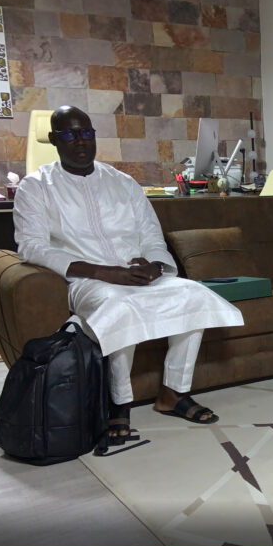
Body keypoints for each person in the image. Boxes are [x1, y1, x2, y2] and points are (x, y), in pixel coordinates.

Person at [13, 105, 244, 441]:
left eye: (86, 133)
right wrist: (104, 272)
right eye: (70, 134)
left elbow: (151, 235)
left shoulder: (122, 182)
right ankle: (119, 403)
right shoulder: (36, 187)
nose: (81, 141)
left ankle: (173, 393)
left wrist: (156, 266)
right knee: (120, 307)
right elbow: (31, 247)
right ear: (53, 139)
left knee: (193, 295)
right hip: (89, 280)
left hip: (137, 275)